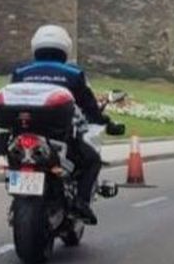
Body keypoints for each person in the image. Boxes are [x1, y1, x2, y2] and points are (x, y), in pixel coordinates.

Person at [9, 24, 121, 225]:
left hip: (23, 135)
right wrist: (107, 122)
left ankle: (18, 192)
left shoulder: (20, 72)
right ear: (65, 48)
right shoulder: (73, 74)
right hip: (59, 137)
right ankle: (81, 202)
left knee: (14, 160)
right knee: (92, 161)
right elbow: (90, 107)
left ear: (36, 46)